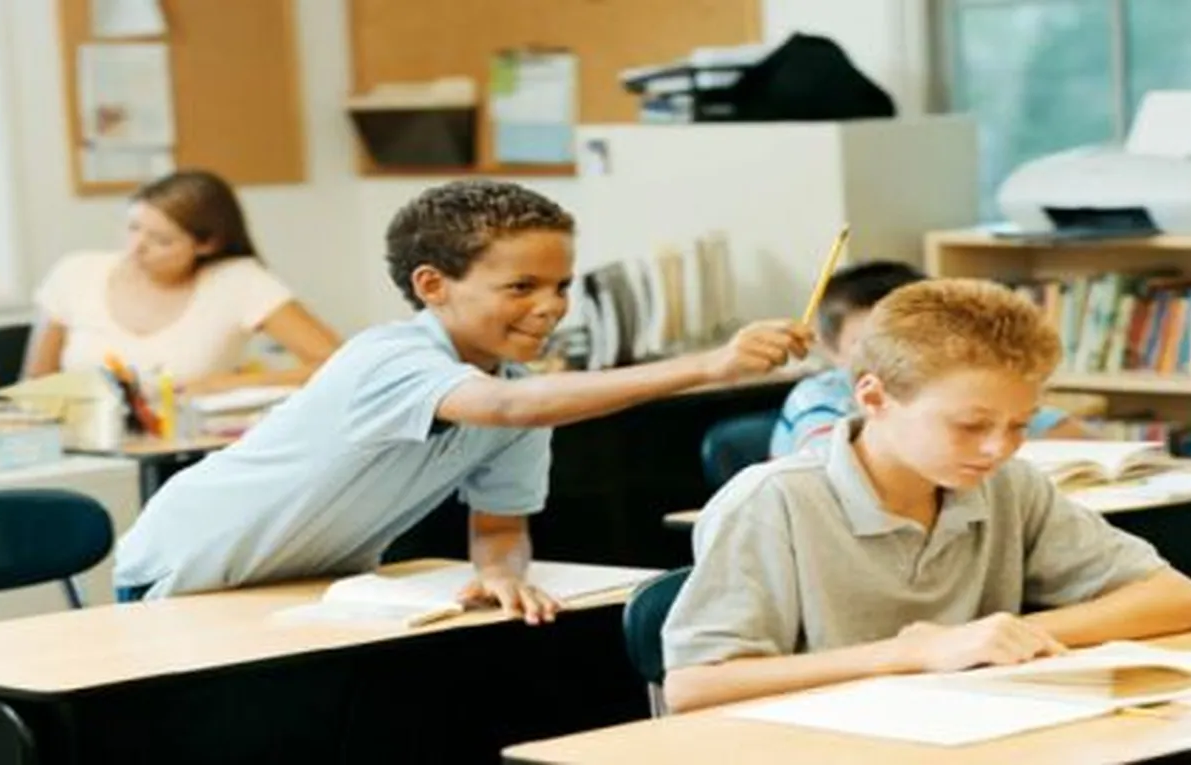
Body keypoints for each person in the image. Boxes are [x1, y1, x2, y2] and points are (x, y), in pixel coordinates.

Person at [113, 180, 814, 620]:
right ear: (432, 285)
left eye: (561, 286)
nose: (551, 306)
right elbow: (505, 408)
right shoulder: (388, 358)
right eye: (521, 287)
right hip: (185, 571)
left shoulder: (522, 393)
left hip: (305, 585)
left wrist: (500, 575)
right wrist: (709, 365)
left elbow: (500, 523)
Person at [661, 278, 1191, 713]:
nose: (998, 448)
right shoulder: (771, 501)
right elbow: (694, 685)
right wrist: (909, 654)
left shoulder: (1009, 485)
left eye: (1019, 425)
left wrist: (996, 638)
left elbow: (1181, 599)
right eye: (970, 425)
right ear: (874, 398)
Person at [24, 169, 342, 394]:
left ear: (207, 245)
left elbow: (338, 364)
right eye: (133, 228)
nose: (137, 248)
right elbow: (36, 384)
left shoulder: (239, 282)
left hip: (191, 450)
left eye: (161, 240)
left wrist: (225, 385)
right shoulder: (75, 273)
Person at [770, 260, 1094, 457]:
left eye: (909, 340)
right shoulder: (816, 399)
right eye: (865, 345)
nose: (886, 358)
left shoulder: (950, 387)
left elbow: (1068, 433)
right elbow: (832, 463)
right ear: (829, 348)